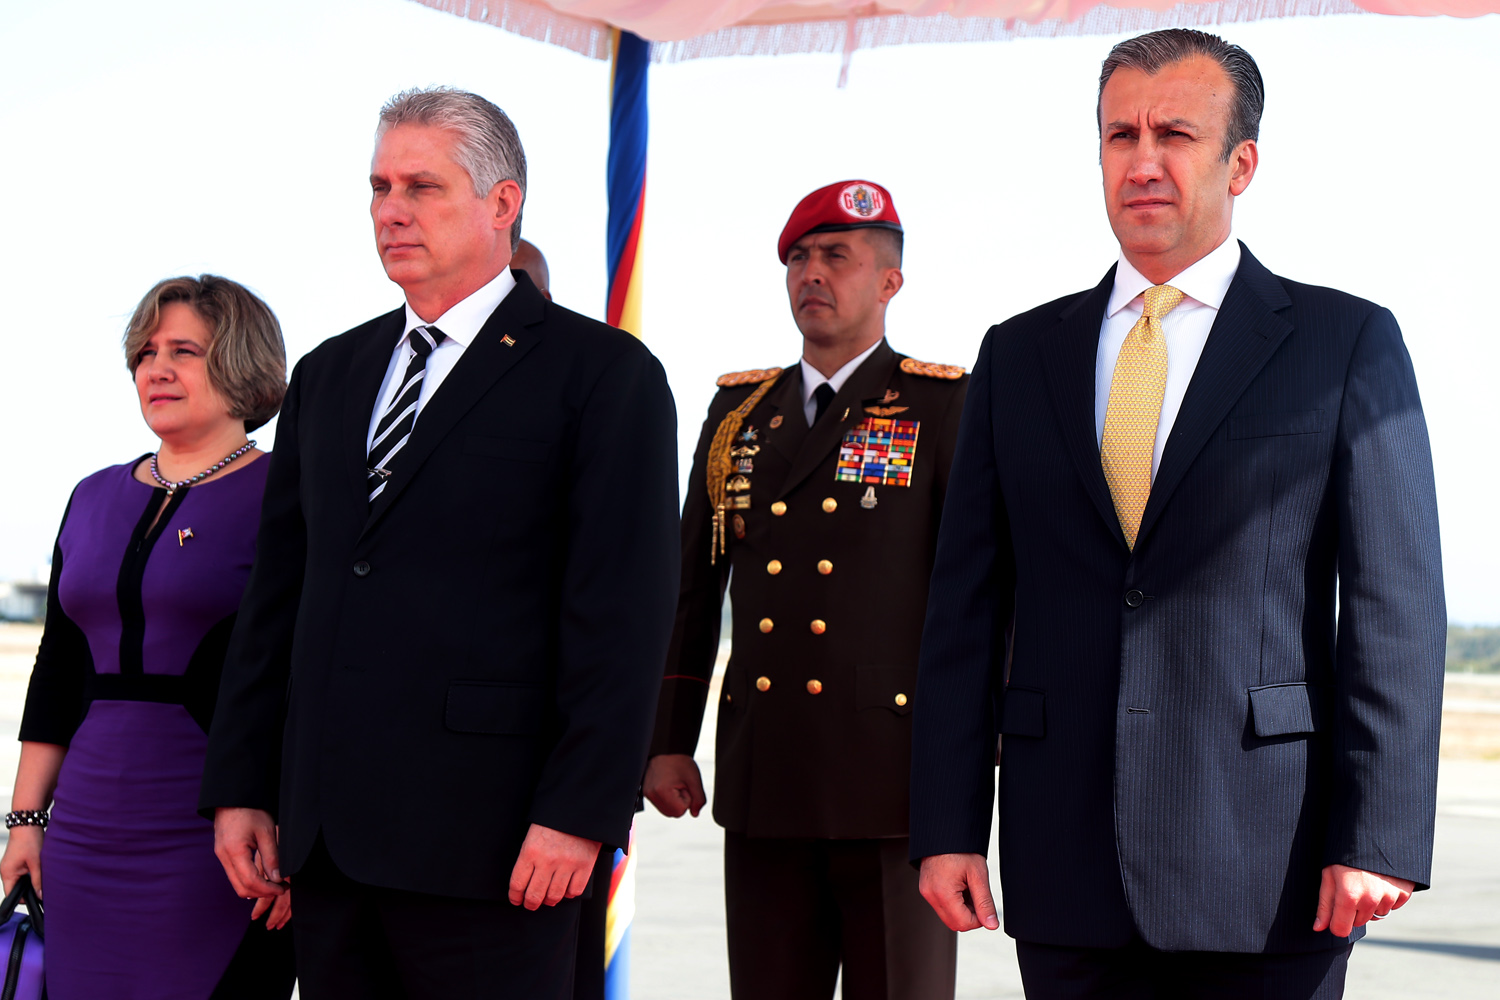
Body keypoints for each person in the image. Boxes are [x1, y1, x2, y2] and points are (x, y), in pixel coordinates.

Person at [910, 29, 1445, 1000]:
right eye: (1121, 135)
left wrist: (1377, 839)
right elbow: (964, 617)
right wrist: (948, 824)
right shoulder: (1020, 355)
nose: (1143, 161)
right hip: (1064, 861)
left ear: (1242, 162)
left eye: (1176, 135)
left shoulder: (1344, 343)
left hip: (1270, 866)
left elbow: (1394, 612)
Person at [197, 87, 680, 999]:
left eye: (423, 186)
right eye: (380, 186)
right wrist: (243, 784)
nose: (392, 210)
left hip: (497, 846)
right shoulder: (331, 373)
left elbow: (623, 616)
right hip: (328, 841)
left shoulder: (603, 375)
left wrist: (580, 812)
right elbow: (279, 600)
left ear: (503, 204)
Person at [644, 180, 964, 1000]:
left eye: (836, 257)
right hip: (766, 777)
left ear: (890, 282)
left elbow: (979, 598)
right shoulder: (738, 415)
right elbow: (691, 586)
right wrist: (667, 738)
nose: (811, 274)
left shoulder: (942, 407)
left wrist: (975, 763)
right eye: (798, 258)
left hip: (894, 788)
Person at [0, 275, 296, 999]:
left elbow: (309, 678)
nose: (156, 368)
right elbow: (59, 669)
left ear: (242, 364)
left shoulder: (291, 493)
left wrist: (300, 834)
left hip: (222, 837)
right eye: (146, 352)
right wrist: (25, 822)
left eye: (185, 351)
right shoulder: (93, 494)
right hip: (85, 831)